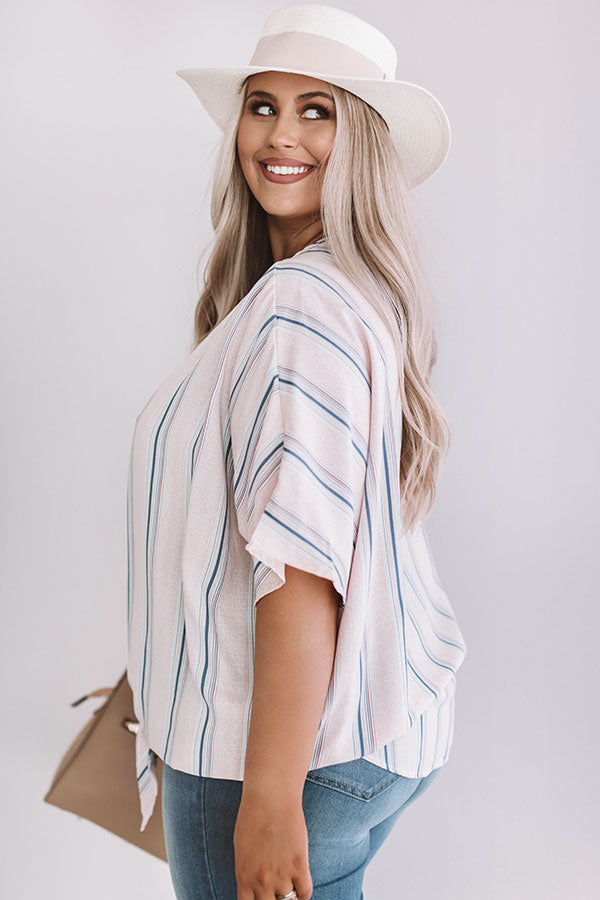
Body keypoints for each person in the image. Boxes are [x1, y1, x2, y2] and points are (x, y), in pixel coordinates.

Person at [125, 5, 468, 899]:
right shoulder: (342, 293)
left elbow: (302, 567)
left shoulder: (299, 309)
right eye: (262, 106)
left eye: (318, 110)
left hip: (273, 753)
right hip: (370, 733)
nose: (281, 135)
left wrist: (270, 799)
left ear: (361, 142)